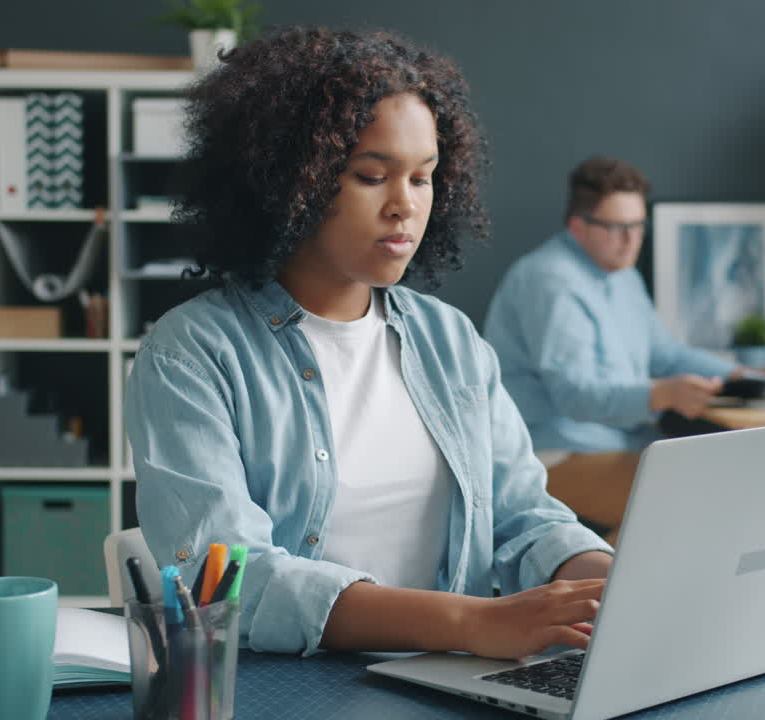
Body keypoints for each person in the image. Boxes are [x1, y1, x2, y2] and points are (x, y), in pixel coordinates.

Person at [124, 27, 613, 660]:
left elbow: (525, 520)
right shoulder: (191, 353)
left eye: (423, 178)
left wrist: (611, 584)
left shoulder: (449, 340)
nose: (404, 207)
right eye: (370, 176)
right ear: (287, 182)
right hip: (295, 691)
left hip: (452, 682)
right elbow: (227, 582)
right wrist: (468, 623)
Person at [483, 156, 742, 544]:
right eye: (617, 228)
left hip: (618, 442)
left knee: (718, 486)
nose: (632, 240)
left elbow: (663, 352)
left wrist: (737, 375)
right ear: (578, 226)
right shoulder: (551, 282)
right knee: (693, 502)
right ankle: (609, 600)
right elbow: (575, 395)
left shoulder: (622, 275)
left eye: (638, 225)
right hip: (554, 452)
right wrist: (660, 394)